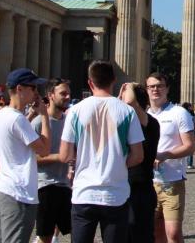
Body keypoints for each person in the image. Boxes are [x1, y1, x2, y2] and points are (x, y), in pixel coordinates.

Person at [59, 61, 145, 243]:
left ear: (90, 83)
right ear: (113, 80)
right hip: (115, 194)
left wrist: (83, 160)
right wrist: (119, 164)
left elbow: (65, 155)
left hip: (84, 193)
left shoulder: (74, 112)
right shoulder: (128, 112)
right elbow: (138, 156)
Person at [0, 68, 52, 243]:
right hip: (19, 191)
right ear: (20, 89)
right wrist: (45, 117)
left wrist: (32, 113)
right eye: (33, 88)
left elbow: (12, 138)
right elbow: (44, 149)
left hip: (3, 185)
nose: (36, 93)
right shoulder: (17, 119)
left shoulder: (2, 114)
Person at [145, 72, 195, 243]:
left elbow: (190, 146)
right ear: (147, 90)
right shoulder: (142, 115)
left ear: (167, 89)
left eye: (159, 86)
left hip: (172, 182)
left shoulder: (179, 113)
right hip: (147, 182)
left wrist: (166, 155)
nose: (155, 89)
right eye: (151, 86)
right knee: (154, 232)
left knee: (173, 233)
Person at [32, 79, 72, 243]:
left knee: (77, 231)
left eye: (69, 93)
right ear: (51, 95)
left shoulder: (69, 122)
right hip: (45, 186)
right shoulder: (37, 123)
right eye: (63, 93)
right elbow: (31, 159)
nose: (68, 96)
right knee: (45, 235)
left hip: (65, 185)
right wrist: (60, 156)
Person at [124, 83, 161, 243]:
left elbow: (130, 103)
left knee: (140, 236)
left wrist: (128, 86)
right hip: (127, 189)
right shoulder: (128, 125)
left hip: (140, 190)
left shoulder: (149, 123)